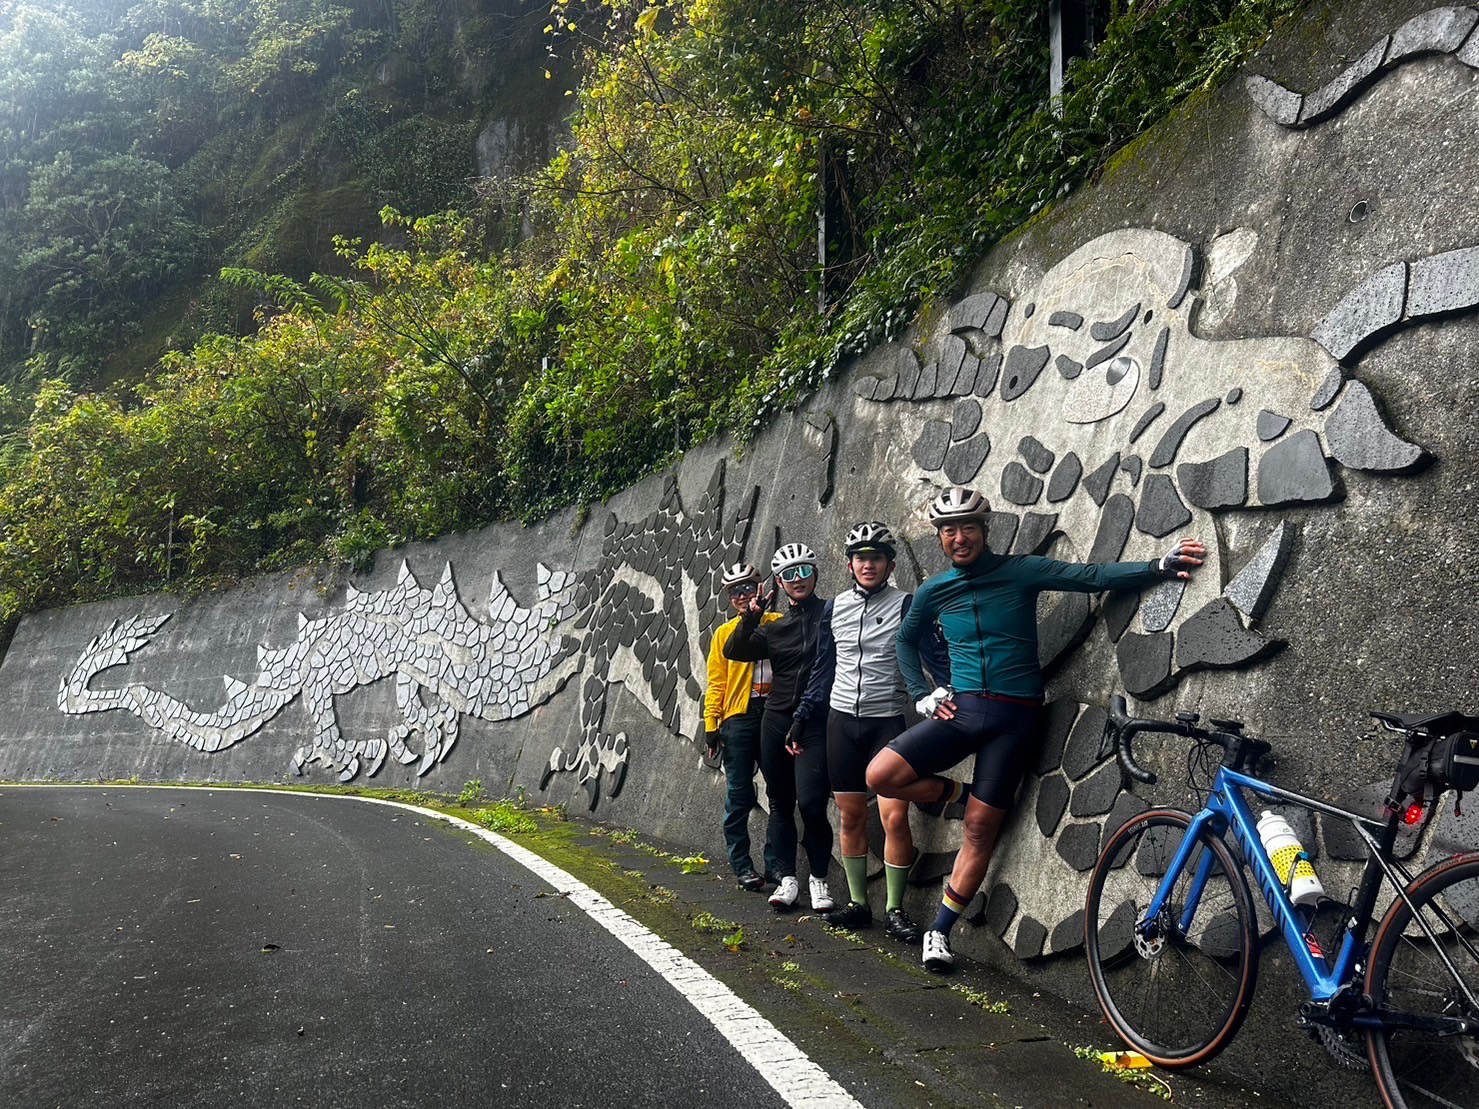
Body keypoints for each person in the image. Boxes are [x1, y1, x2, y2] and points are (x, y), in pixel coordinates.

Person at [867, 486, 1207, 972]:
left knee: (981, 831)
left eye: (967, 528)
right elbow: (905, 640)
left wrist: (1156, 566)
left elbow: (1089, 577)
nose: (958, 538)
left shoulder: (1021, 570)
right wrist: (922, 693)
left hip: (1015, 717)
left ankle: (939, 933)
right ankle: (957, 796)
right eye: (948, 531)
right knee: (880, 774)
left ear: (984, 530)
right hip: (961, 711)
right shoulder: (932, 591)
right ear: (939, 538)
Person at [790, 521, 950, 942]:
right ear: (849, 564)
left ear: (889, 564)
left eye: (876, 558)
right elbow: (823, 668)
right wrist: (803, 715)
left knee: (894, 815)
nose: (868, 564)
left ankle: (895, 909)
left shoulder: (906, 604)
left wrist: (953, 690)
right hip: (840, 722)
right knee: (851, 815)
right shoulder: (834, 608)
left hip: (886, 722)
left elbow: (935, 655)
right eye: (861, 558)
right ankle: (860, 905)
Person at [724, 543, 834, 912]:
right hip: (776, 719)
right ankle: (788, 879)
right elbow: (735, 651)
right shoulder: (777, 627)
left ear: (816, 574)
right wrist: (752, 617)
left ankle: (819, 879)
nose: (797, 579)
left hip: (816, 721)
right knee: (780, 802)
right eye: (789, 574)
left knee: (814, 803)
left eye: (804, 571)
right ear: (779, 584)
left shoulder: (831, 615)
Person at [704, 562, 783, 892]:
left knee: (780, 794)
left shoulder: (779, 623)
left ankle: (777, 865)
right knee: (739, 794)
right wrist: (711, 724)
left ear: (761, 588)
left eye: (748, 588)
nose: (742, 595)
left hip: (777, 711)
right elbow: (716, 682)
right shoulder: (724, 634)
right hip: (739, 716)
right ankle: (742, 865)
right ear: (728, 597)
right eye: (734, 591)